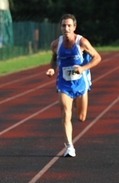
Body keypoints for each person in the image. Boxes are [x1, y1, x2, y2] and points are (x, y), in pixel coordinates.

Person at [46, 14, 101, 157]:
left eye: (69, 25)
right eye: (64, 25)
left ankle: (76, 103)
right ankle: (69, 147)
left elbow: (97, 57)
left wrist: (83, 68)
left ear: (74, 27)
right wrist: (52, 68)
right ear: (61, 27)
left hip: (80, 83)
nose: (66, 28)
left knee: (81, 117)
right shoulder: (55, 44)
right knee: (66, 114)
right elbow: (53, 58)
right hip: (64, 83)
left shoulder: (82, 42)